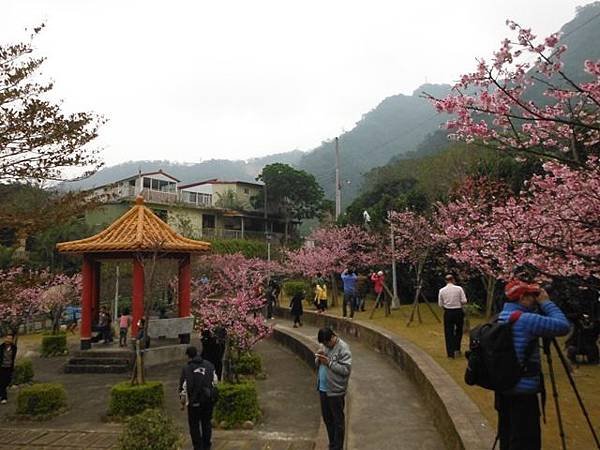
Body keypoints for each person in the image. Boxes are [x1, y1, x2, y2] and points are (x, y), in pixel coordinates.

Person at [495, 279, 570, 450]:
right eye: (532, 296)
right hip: (523, 391)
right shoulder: (527, 320)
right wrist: (547, 303)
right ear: (522, 298)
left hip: (503, 389)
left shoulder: (500, 317)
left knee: (508, 436)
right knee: (526, 441)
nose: (535, 299)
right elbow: (563, 326)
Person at [315, 327, 352, 450]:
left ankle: (338, 447)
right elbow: (320, 363)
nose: (325, 345)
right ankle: (332, 444)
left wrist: (329, 363)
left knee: (338, 421)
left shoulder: (343, 348)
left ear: (332, 338)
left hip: (335, 390)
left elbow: (346, 370)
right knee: (327, 419)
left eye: (326, 343)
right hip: (323, 388)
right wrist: (318, 358)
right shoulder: (325, 346)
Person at [179, 345, 217, 450]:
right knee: (206, 423)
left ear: (188, 356)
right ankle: (207, 446)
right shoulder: (209, 365)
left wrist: (182, 402)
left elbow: (184, 387)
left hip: (194, 401)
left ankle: (198, 447)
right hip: (208, 400)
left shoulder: (187, 368)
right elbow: (215, 382)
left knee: (194, 425)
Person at [438, 274, 468, 358]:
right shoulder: (459, 289)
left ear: (445, 281)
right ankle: (457, 348)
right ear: (453, 280)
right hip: (458, 311)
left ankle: (450, 353)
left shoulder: (442, 290)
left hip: (448, 312)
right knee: (459, 330)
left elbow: (440, 304)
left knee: (448, 332)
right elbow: (464, 301)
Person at [0, 333, 17, 404]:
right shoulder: (1, 347)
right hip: (1, 367)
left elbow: (13, 358)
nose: (8, 340)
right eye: (7, 338)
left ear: (12, 340)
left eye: (10, 338)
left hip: (9, 367)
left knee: (7, 381)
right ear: (5, 339)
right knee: (2, 382)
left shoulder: (14, 348)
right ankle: (4, 398)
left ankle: (1, 394)